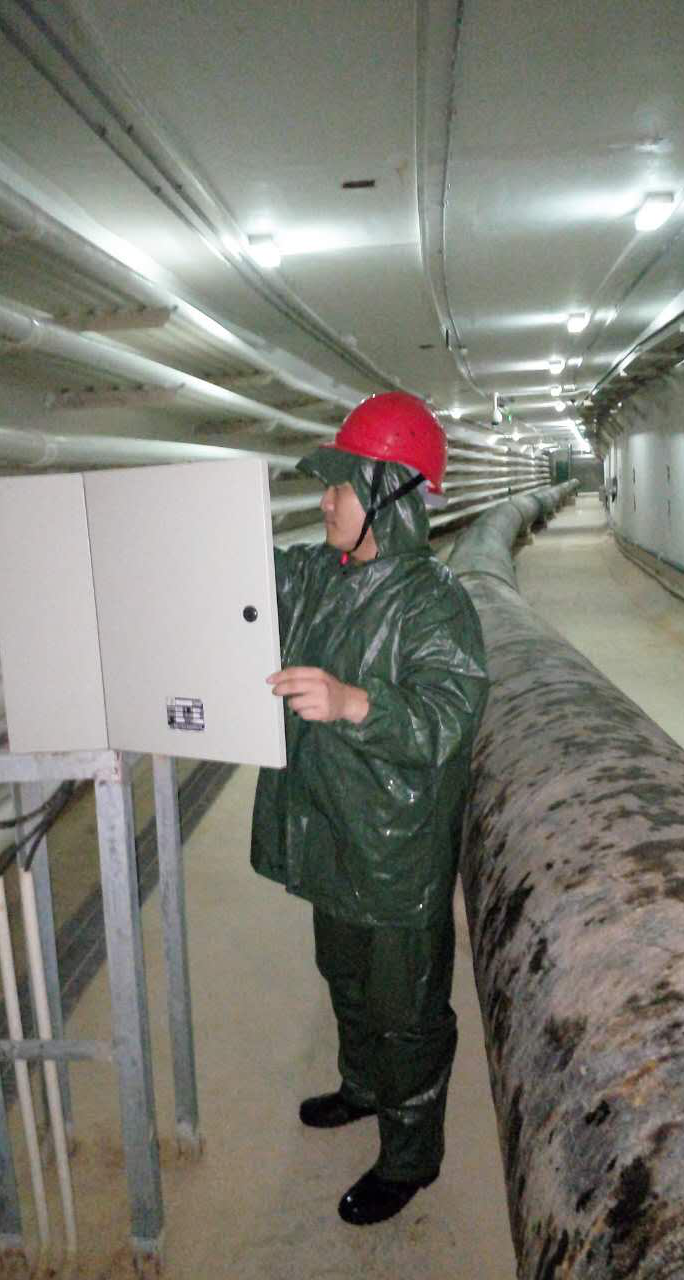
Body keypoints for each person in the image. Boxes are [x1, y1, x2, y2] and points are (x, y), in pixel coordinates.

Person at [250, 391, 490, 1226]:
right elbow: (255, 575)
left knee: (406, 1014)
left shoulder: (434, 601)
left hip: (396, 852)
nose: (325, 501)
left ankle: (410, 1159)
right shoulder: (323, 576)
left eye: (341, 486)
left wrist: (355, 703)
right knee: (344, 976)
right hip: (333, 829)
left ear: (390, 494)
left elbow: (449, 714)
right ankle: (360, 1086)